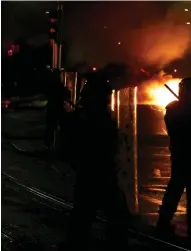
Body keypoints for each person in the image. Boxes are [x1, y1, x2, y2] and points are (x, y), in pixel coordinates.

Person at [64, 71, 130, 251]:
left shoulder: (91, 115)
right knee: (94, 215)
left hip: (97, 172)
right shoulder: (90, 117)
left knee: (86, 215)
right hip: (96, 172)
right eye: (105, 96)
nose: (108, 99)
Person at [157, 78, 191, 248]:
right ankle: (165, 221)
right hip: (183, 156)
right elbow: (181, 129)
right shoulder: (174, 109)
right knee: (177, 190)